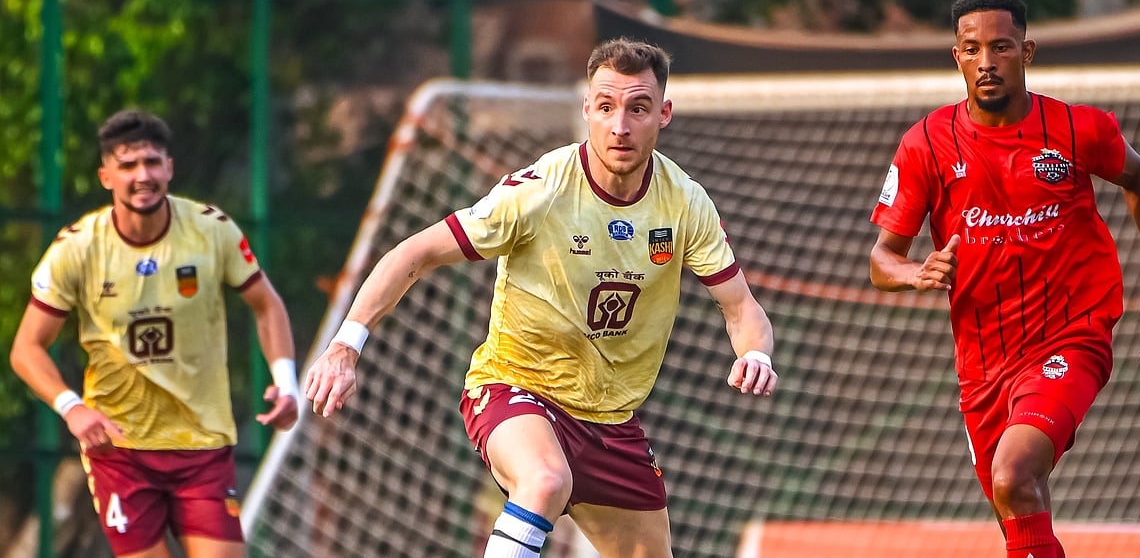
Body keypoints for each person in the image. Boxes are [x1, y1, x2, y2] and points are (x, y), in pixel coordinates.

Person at [305, 37, 778, 557]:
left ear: (663, 114)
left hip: (611, 422)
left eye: (637, 108)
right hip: (515, 388)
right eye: (606, 107)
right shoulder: (540, 191)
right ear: (587, 111)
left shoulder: (686, 203)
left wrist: (754, 352)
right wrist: (345, 346)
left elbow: (741, 309)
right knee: (546, 478)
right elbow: (412, 254)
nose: (619, 125)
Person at [869, 0, 1140, 558]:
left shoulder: (1077, 130)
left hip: (1072, 335)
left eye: (1001, 47)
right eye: (972, 49)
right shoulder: (925, 145)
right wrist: (915, 273)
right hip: (982, 361)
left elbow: (1138, 178)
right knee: (1016, 507)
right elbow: (881, 259)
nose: (987, 62)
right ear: (955, 56)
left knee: (1014, 476)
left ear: (1027, 52)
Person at [9, 110, 300, 558]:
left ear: (169, 168)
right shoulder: (78, 247)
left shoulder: (210, 230)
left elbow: (267, 305)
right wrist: (72, 410)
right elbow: (26, 348)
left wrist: (286, 383)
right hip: (120, 449)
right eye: (128, 166)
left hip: (201, 444)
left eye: (151, 162)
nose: (142, 176)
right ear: (106, 175)